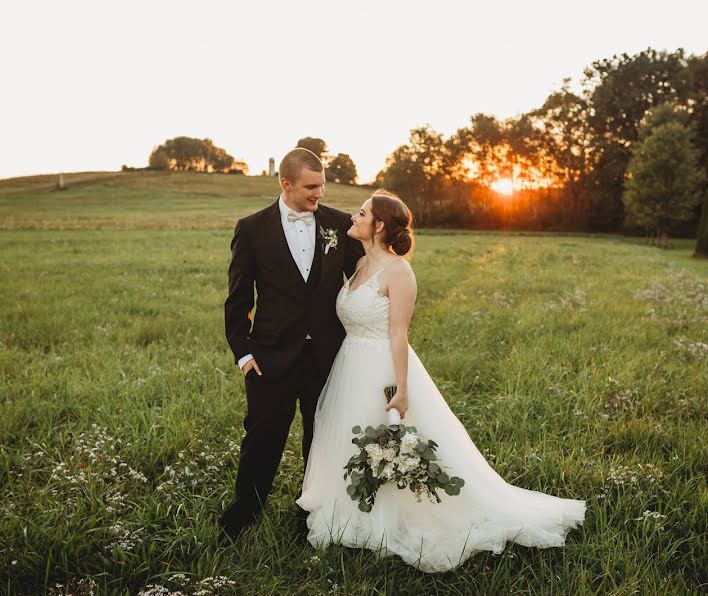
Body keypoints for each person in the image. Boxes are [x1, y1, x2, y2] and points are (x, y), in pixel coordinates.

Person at [297, 189, 586, 572]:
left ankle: (397, 513)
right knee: (349, 436)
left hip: (381, 367)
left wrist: (402, 390)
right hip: (349, 364)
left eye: (362, 213)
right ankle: (351, 507)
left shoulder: (398, 271)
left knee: (385, 438)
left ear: (379, 225)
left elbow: (399, 334)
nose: (354, 216)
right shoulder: (361, 265)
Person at [221, 147, 363, 538]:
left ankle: (311, 516)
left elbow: (363, 277)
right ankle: (243, 516)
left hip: (326, 355)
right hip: (269, 357)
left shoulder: (339, 223)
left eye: (322, 185)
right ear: (285, 184)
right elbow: (237, 298)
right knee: (262, 438)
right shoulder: (251, 228)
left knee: (320, 439)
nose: (319, 194)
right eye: (310, 187)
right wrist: (243, 353)